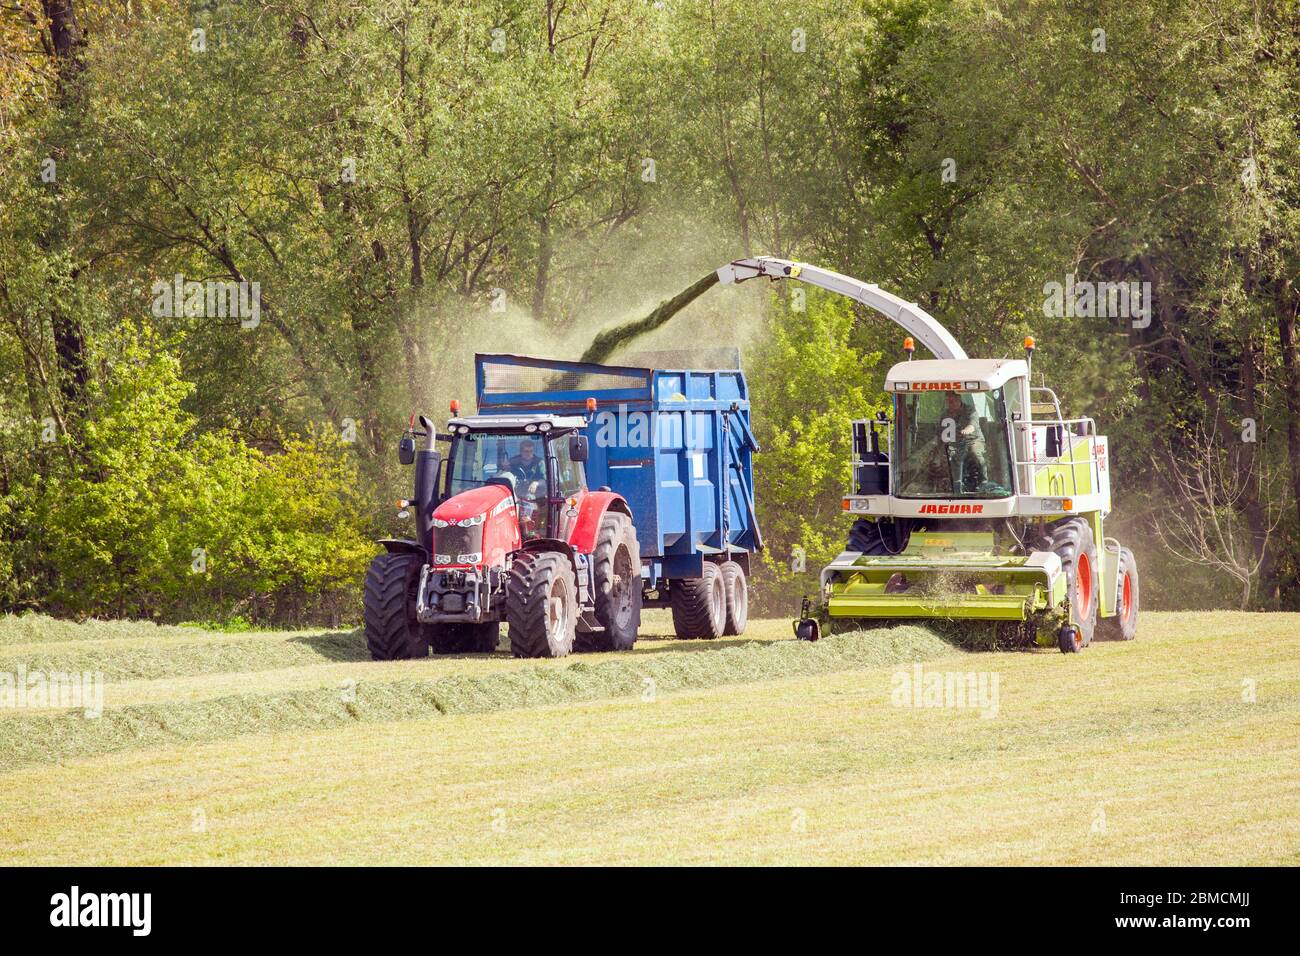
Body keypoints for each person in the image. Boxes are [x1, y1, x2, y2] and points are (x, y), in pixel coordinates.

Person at [940, 391, 986, 492]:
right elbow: (941, 432)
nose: (949, 404)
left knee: (975, 453)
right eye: (947, 401)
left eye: (952, 401)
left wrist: (966, 430)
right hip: (955, 443)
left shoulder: (970, 410)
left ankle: (984, 481)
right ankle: (951, 484)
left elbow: (972, 424)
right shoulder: (945, 415)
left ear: (958, 399)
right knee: (945, 456)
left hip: (973, 440)